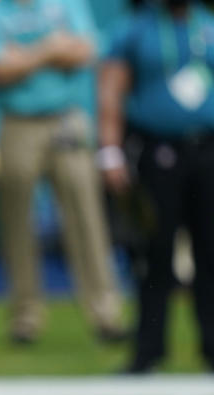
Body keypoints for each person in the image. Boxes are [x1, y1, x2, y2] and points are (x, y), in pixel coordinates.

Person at [0, 0, 128, 345]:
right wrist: (50, 48)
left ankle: (106, 312)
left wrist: (25, 57)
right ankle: (26, 317)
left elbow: (86, 51)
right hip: (17, 121)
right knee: (17, 223)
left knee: (86, 219)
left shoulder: (66, 4)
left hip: (65, 118)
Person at [98, 0, 214, 373]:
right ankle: (149, 348)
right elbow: (112, 89)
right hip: (159, 150)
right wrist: (111, 150)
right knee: (155, 252)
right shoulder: (137, 29)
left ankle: (211, 345)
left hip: (207, 148)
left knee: (210, 253)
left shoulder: (206, 24)